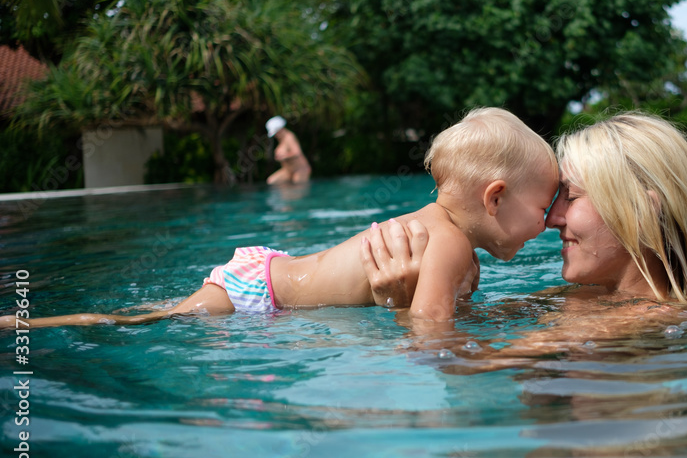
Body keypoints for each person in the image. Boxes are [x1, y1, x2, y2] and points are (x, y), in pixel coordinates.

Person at [2, 108, 560, 329]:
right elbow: (430, 339)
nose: (548, 222)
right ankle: (25, 327)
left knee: (148, 314)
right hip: (261, 292)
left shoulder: (451, 242)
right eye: (542, 207)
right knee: (134, 323)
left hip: (268, 273)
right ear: (494, 198)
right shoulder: (450, 247)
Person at [362, 111, 687, 312]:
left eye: (570, 197)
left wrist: (400, 305)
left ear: (641, 212)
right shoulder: (581, 299)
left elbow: (448, 361)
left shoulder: (622, 324)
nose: (551, 219)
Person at [265, 116, 312, 185]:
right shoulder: (281, 140)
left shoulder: (289, 136)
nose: (275, 135)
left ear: (280, 129)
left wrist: (284, 156)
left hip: (300, 169)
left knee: (296, 189)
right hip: (288, 170)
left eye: (276, 133)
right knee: (271, 181)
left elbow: (297, 153)